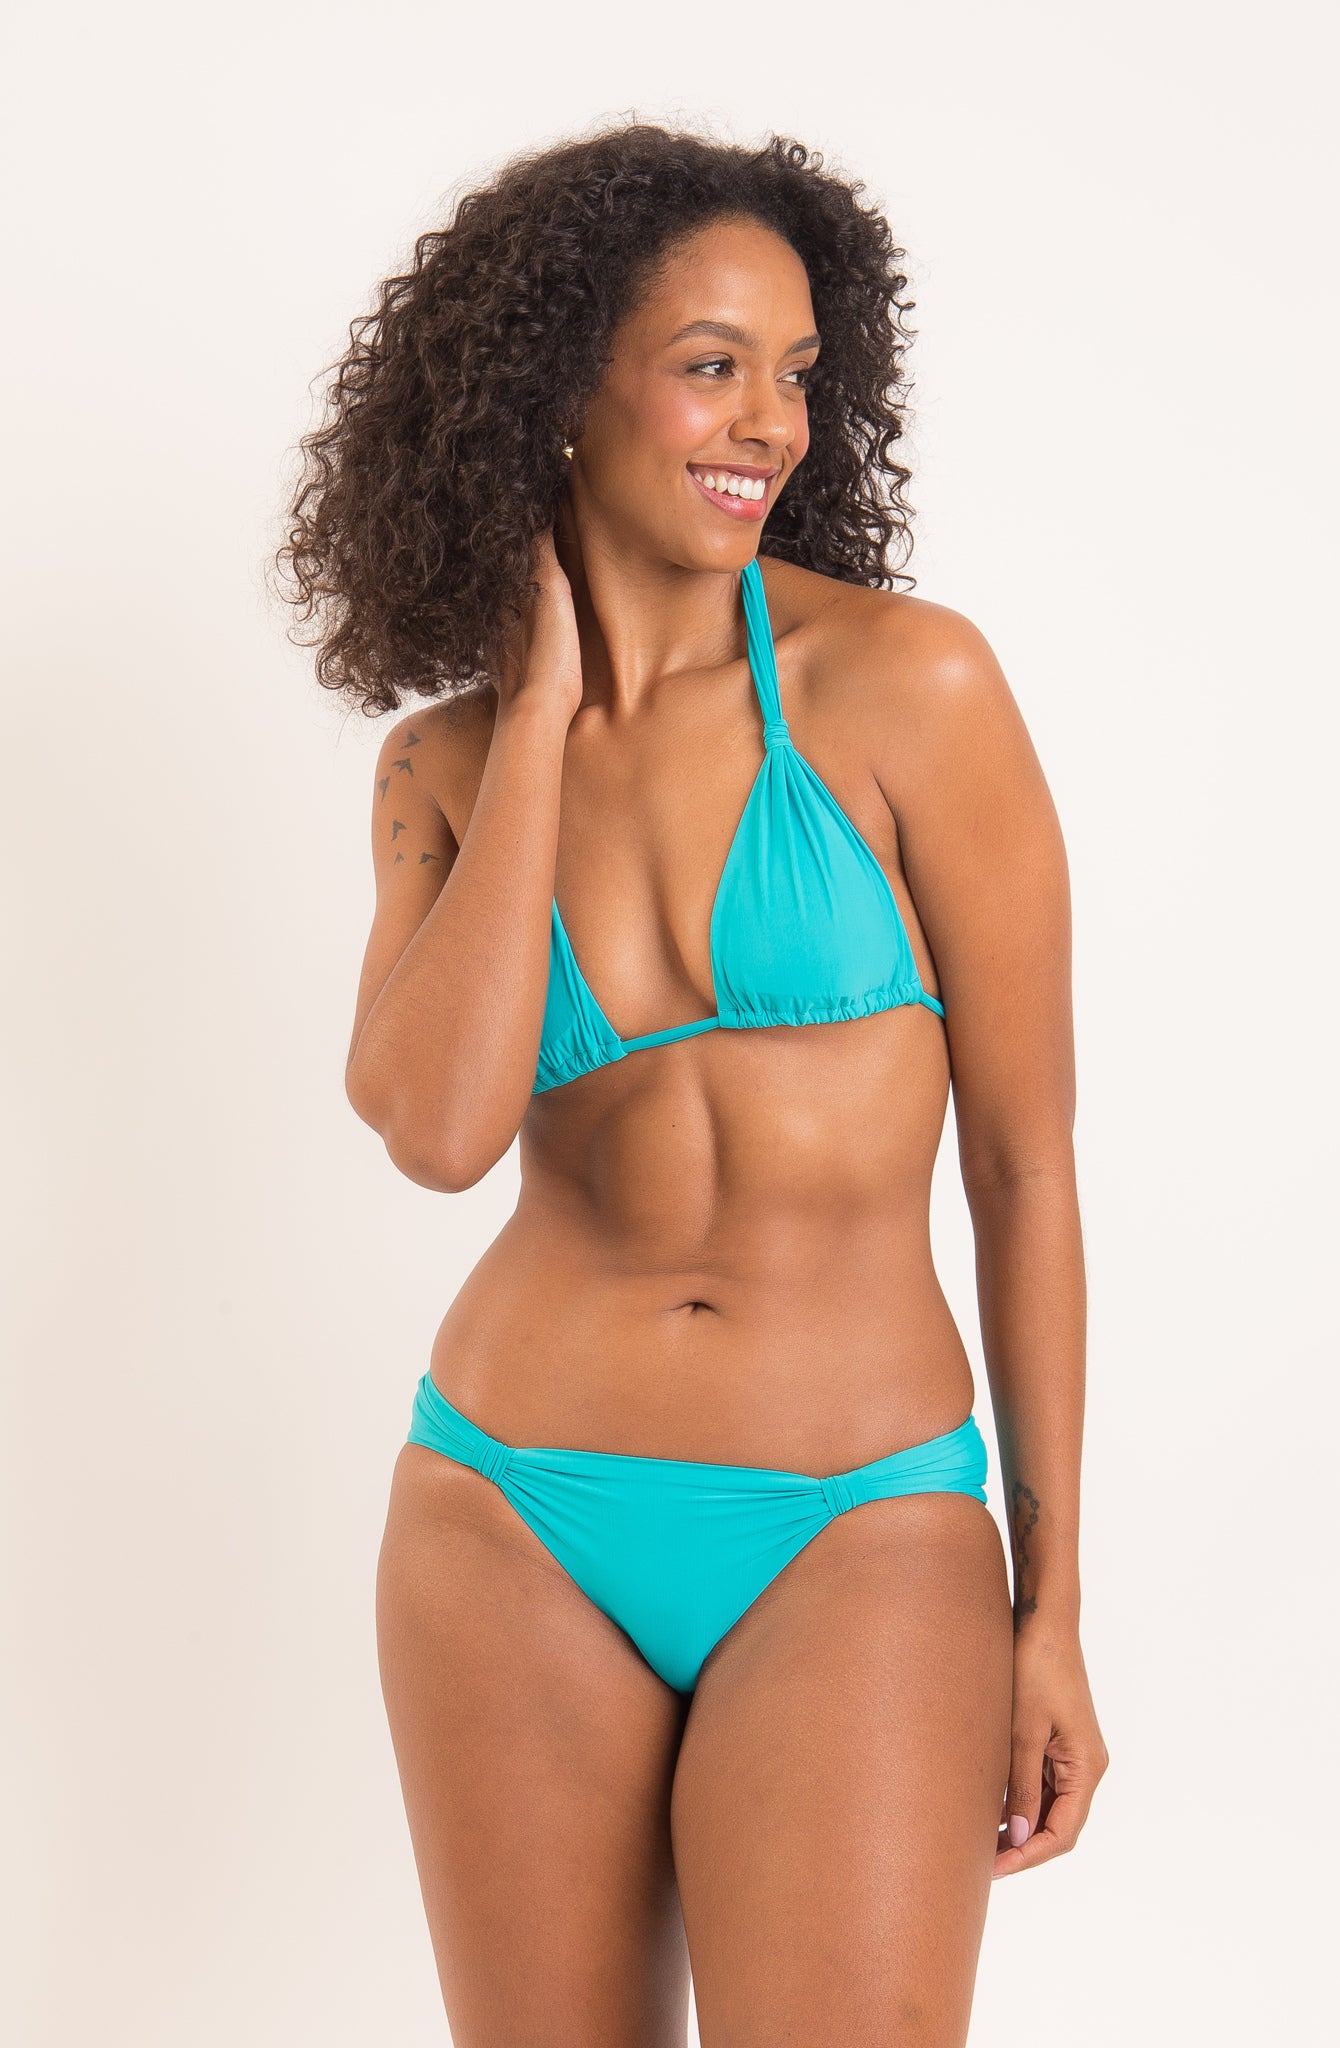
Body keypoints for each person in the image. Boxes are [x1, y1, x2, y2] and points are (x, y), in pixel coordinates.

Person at [280, 121, 1108, 2048]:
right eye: (711, 364)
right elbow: (437, 1132)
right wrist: (540, 718)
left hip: (858, 1521)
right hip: (506, 1516)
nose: (771, 424)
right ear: (556, 388)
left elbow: (1025, 1164)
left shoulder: (909, 689)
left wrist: (1052, 1606)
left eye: (797, 372)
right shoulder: (443, 766)